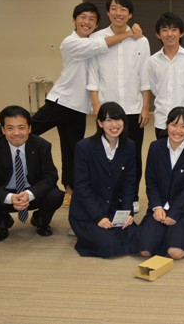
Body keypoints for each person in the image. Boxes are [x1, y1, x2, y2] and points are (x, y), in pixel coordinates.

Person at [0, 2, 143, 208]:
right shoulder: (71, 42)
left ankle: (70, 190)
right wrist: (128, 33)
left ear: (97, 24)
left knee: (72, 150)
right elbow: (102, 45)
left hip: (78, 107)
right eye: (83, 17)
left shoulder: (92, 39)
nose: (87, 22)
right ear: (74, 20)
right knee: (28, 129)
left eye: (91, 19)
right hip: (62, 100)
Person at [88, 0, 151, 213]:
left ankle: (131, 196)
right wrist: (96, 105)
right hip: (107, 109)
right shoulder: (96, 39)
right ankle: (107, 196)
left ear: (130, 14)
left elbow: (144, 76)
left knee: (133, 154)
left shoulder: (141, 41)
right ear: (107, 12)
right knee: (106, 153)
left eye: (123, 9)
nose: (118, 13)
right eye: (114, 8)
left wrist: (145, 107)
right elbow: (93, 74)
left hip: (133, 108)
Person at [0, 105, 63, 242]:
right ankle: (2, 224)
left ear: (29, 128)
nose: (16, 133)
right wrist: (10, 197)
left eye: (21, 127)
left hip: (31, 193)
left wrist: (29, 194)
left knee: (56, 195)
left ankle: (40, 220)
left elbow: (50, 177)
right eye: (10, 128)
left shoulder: (42, 145)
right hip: (5, 194)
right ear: (3, 130)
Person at [69, 102, 138, 258]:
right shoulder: (84, 147)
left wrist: (127, 212)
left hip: (113, 207)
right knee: (109, 245)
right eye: (108, 120)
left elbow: (129, 183)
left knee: (137, 239)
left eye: (118, 119)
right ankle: (84, 232)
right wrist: (98, 217)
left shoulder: (129, 146)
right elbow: (82, 187)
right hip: (87, 211)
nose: (114, 125)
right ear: (100, 123)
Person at [138, 107, 184, 260]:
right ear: (167, 125)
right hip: (161, 207)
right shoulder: (155, 147)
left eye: (183, 126)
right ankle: (167, 235)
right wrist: (156, 207)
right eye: (174, 125)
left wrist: (175, 213)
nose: (178, 131)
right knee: (145, 251)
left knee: (175, 252)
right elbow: (151, 181)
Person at [147, 12, 184, 143]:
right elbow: (155, 89)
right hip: (163, 121)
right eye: (164, 30)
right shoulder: (152, 61)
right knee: (164, 155)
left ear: (181, 33)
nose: (169, 34)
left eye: (173, 29)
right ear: (158, 35)